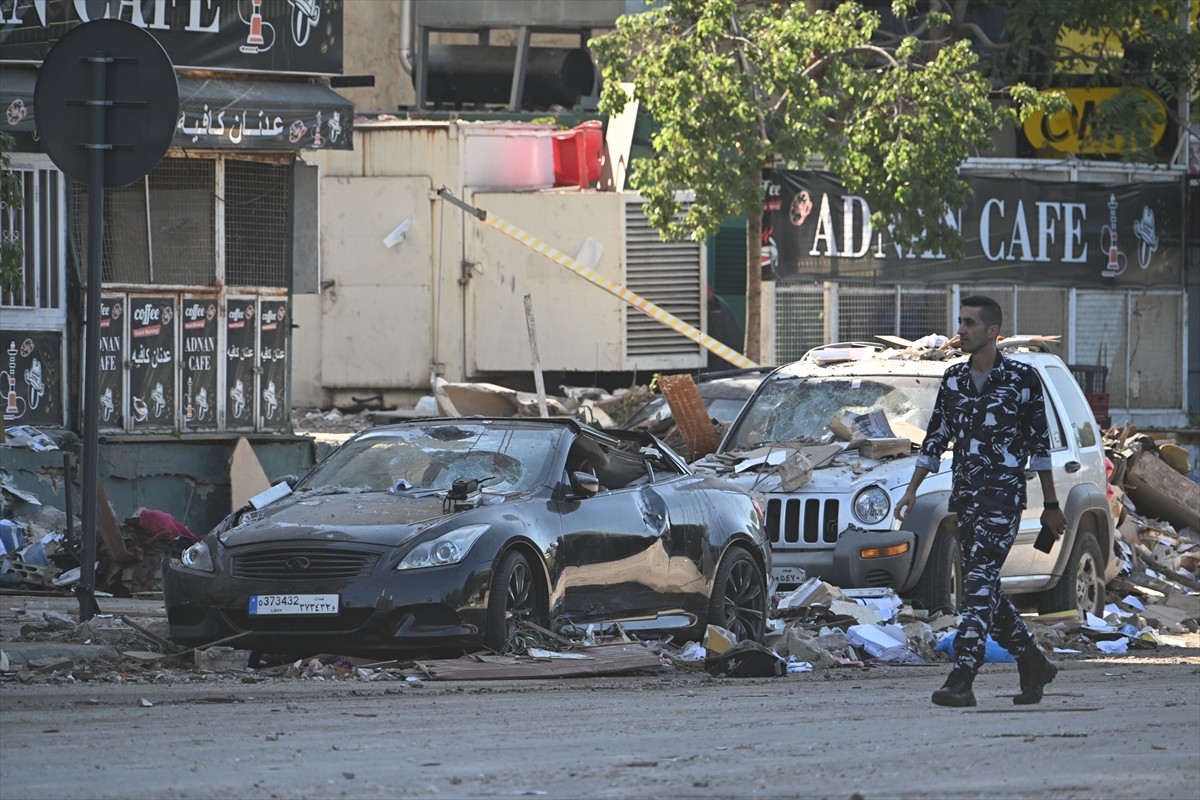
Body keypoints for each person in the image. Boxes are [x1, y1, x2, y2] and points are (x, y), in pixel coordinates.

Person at [894, 295, 1066, 707]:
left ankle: (963, 676)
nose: (962, 329)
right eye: (960, 321)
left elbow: (1040, 445)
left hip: (1004, 500)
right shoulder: (952, 379)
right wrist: (913, 488)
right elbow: (935, 439)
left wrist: (1053, 505)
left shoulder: (1023, 379)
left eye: (970, 323)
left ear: (992, 331)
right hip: (966, 500)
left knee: (974, 587)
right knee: (984, 587)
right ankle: (1032, 661)